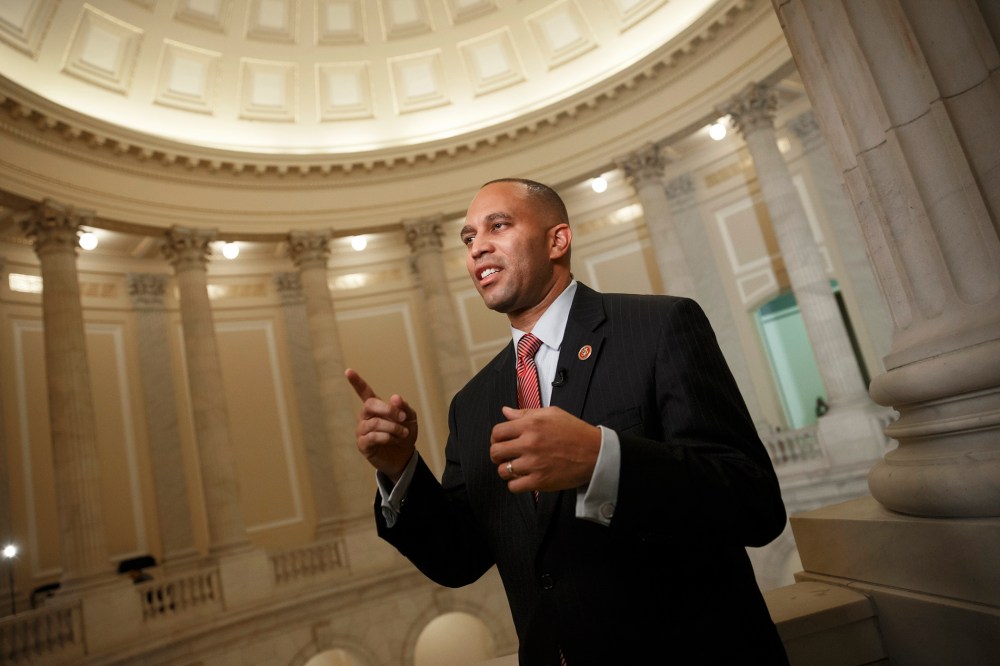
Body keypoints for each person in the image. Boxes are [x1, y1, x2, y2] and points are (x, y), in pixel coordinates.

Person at [346, 178, 788, 664]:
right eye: (469, 238)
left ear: (558, 240)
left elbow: (753, 503)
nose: (478, 248)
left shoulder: (658, 328)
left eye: (498, 225)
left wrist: (603, 461)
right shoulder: (471, 404)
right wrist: (400, 471)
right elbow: (458, 559)